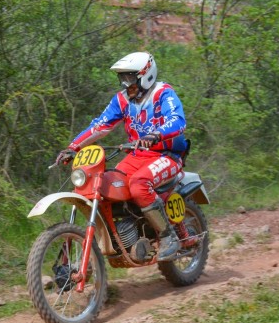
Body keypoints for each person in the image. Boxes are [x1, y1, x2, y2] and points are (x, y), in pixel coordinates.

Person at [56, 51, 189, 261]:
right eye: (122, 78)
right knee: (107, 184)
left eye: (129, 78)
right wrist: (73, 147)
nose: (126, 84)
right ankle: (124, 235)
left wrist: (156, 134)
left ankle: (168, 237)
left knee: (139, 184)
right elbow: (100, 125)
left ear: (145, 75)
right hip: (137, 155)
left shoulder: (163, 93)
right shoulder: (122, 100)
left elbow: (178, 120)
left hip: (166, 154)